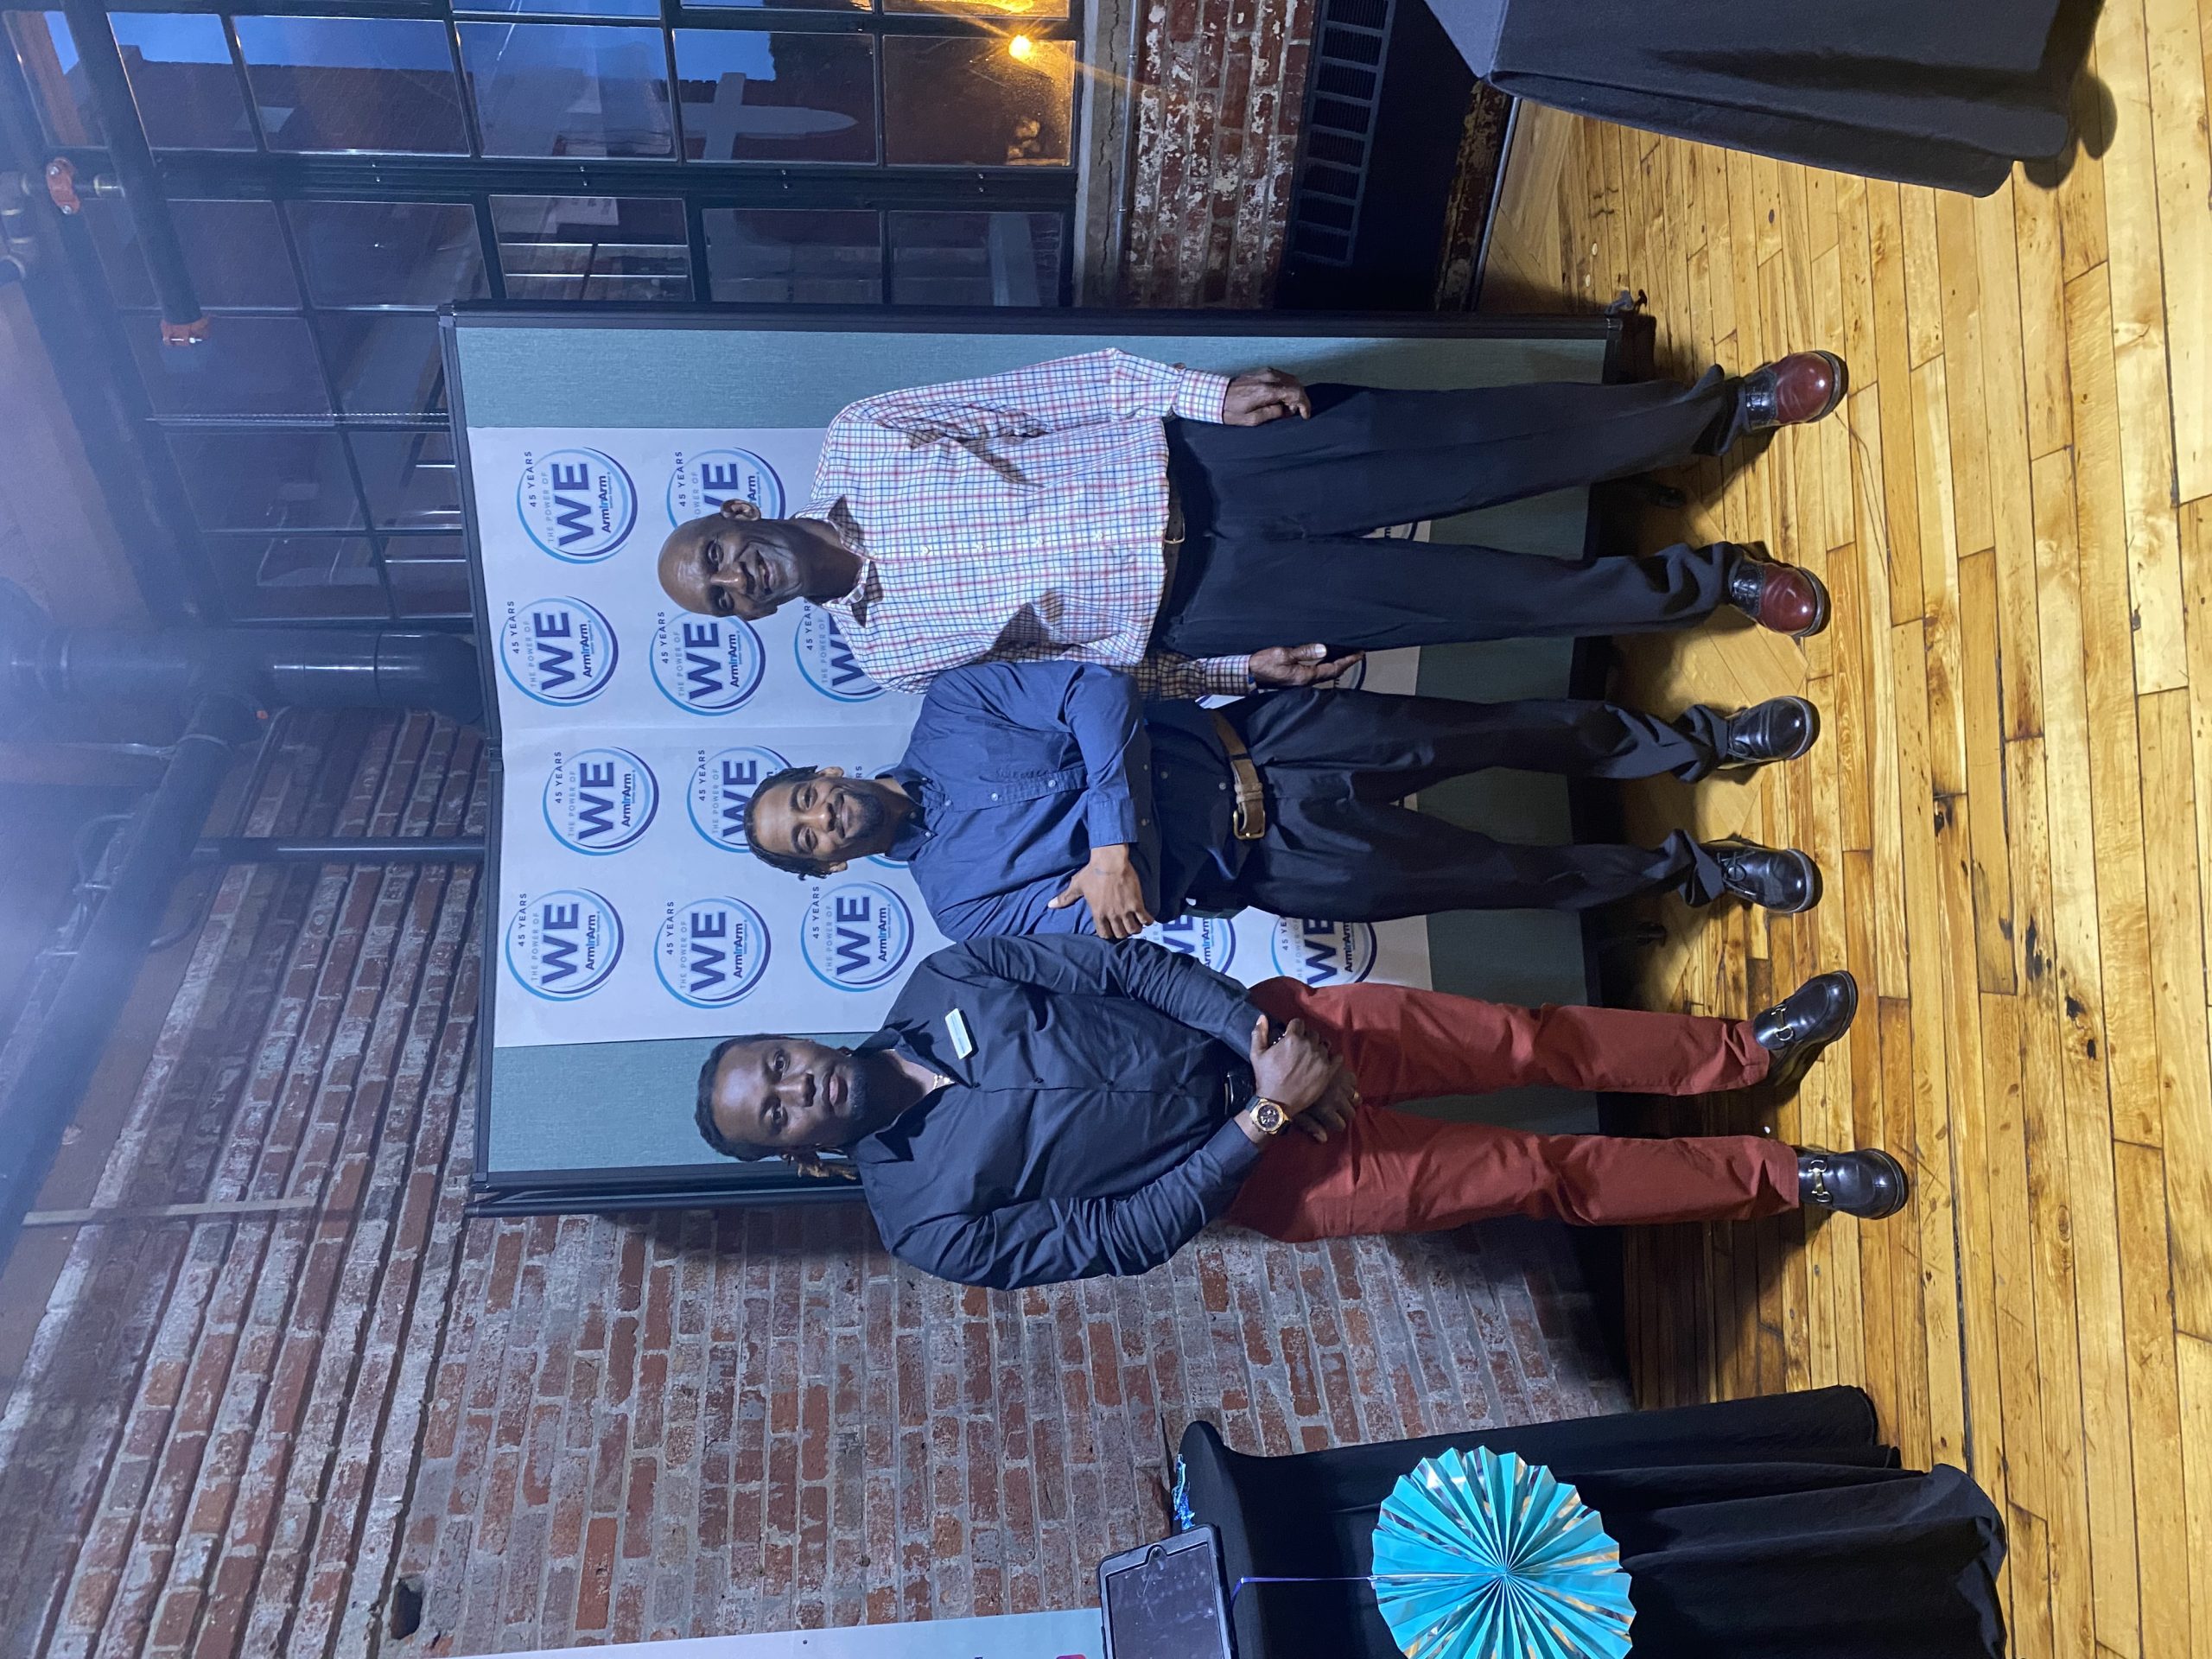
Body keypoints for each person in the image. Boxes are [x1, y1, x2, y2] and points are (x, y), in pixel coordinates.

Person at [690, 933, 1899, 1290]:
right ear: (794, 1154)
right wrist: (1261, 1124)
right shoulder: (922, 1225)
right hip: (1282, 1173)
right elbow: (1117, 1237)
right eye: (775, 1112)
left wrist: (1261, 1047)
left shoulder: (946, 980)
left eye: (777, 1066)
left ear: (793, 1037)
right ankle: (1785, 1177)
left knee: (1531, 1040)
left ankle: (1745, 1049)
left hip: (1282, 1034)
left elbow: (1122, 969)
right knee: (1541, 1174)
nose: (798, 1088)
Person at [656, 347, 1846, 698]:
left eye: (716, 556)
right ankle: (1717, 584)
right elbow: (1082, 680)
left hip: (1214, 468)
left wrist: (1204, 395)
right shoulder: (889, 657)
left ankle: (1718, 412)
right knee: (1491, 603)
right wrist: (1234, 671)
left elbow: (1062, 390)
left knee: (1484, 437)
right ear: (745, 618)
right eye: (722, 600)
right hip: (1209, 607)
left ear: (735, 512)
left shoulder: (865, 434)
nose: (736, 578)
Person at [743, 659, 1827, 933]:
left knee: (1500, 729)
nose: (821, 820)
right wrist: (1118, 853)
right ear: (827, 868)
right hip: (1278, 864)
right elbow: (1107, 924)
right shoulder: (959, 908)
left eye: (806, 800)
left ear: (827, 774)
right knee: (1510, 877)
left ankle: (1701, 743)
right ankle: (1702, 872)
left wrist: (1108, 844)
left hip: (1265, 741)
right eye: (806, 841)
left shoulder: (951, 708)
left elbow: (1096, 692)